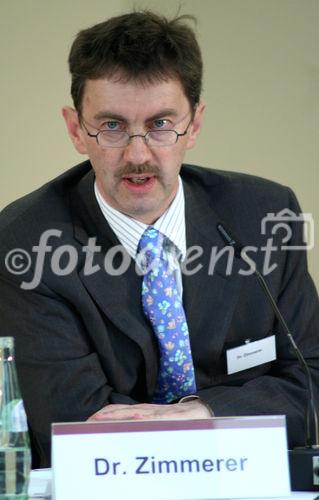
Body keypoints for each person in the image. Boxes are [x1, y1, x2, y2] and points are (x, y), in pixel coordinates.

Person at [0, 11, 318, 468]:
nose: (137, 154)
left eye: (160, 124)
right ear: (75, 129)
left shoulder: (265, 215)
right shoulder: (26, 243)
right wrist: (225, 420)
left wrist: (203, 413)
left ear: (195, 124)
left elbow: (311, 382)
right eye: (111, 125)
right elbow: (76, 428)